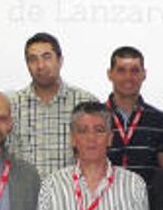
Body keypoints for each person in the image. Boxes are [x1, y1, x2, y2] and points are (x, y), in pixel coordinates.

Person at [9, 32, 99, 178]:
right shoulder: (11, 105)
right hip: (24, 197)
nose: (40, 65)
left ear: (60, 60)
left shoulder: (85, 102)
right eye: (33, 59)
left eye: (47, 57)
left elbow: (97, 155)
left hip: (72, 197)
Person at [104, 46, 163, 183]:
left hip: (148, 202)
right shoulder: (96, 118)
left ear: (144, 74)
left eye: (134, 71)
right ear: (110, 74)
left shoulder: (159, 120)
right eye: (121, 71)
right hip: (104, 202)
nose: (128, 78)